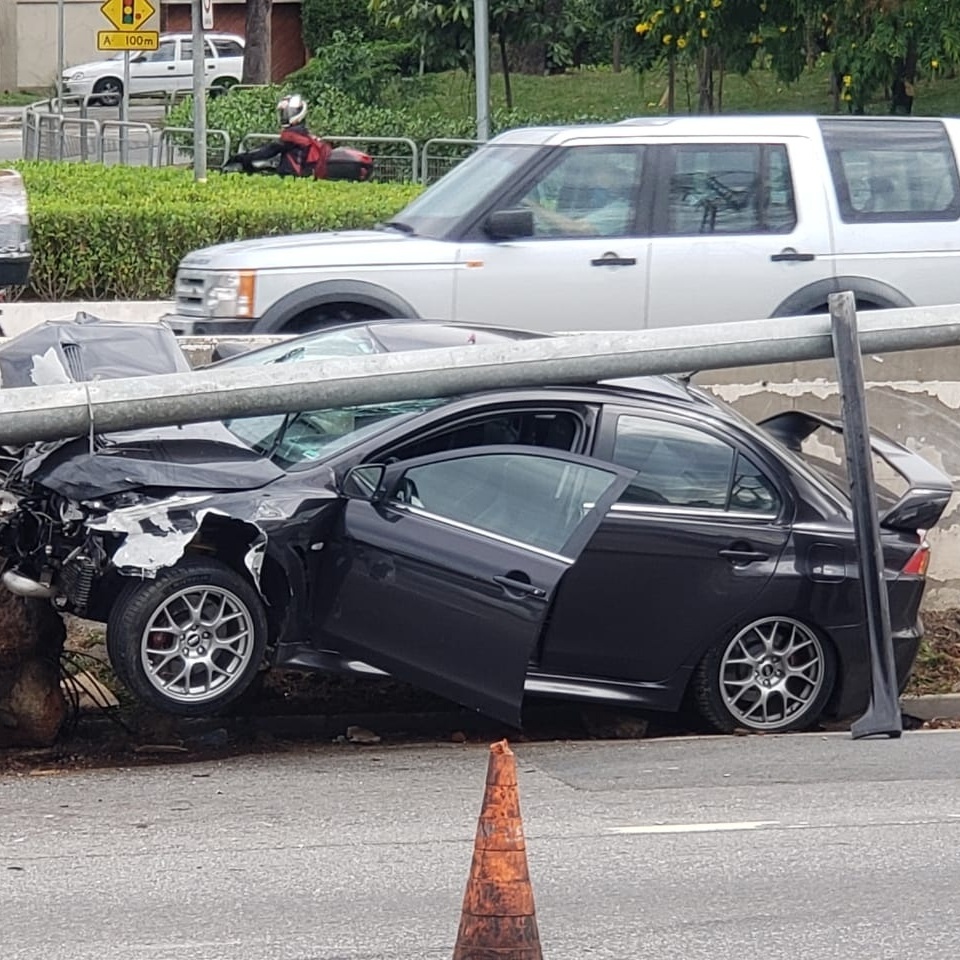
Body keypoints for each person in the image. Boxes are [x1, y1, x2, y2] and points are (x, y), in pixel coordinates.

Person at [521, 160, 636, 238]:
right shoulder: (601, 199)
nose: (595, 178)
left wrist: (533, 207)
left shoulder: (624, 208)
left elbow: (577, 229)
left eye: (600, 173)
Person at [225, 94, 325, 178]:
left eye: (287, 113)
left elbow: (270, 151)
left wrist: (242, 158)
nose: (284, 116)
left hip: (291, 175)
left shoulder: (293, 135)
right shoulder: (303, 133)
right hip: (302, 175)